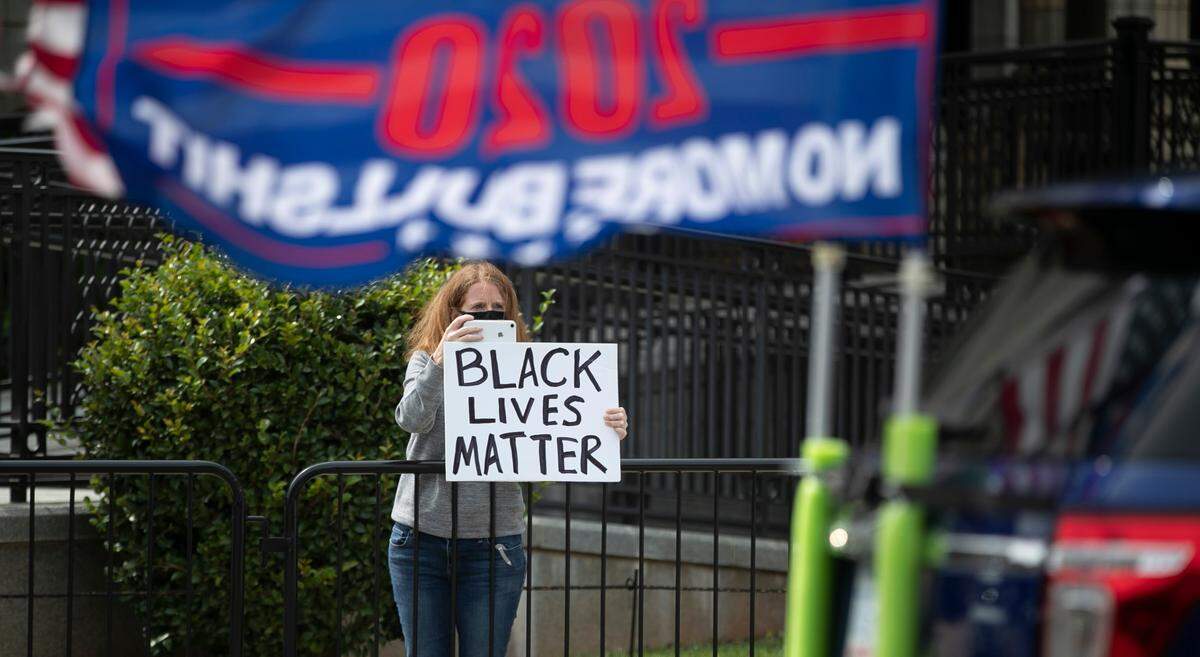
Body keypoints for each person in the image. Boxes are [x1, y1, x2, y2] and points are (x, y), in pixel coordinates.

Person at [389, 261, 629, 657]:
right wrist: (441, 362)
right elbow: (410, 418)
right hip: (420, 541)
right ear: (452, 313)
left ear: (509, 313)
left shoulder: (526, 366)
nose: (485, 317)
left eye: (495, 310)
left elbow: (560, 425)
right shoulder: (426, 360)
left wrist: (607, 425)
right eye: (474, 309)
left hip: (493, 545)